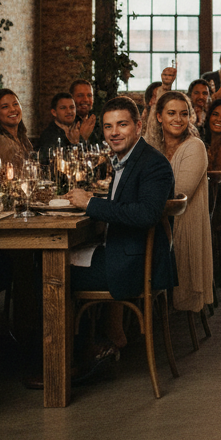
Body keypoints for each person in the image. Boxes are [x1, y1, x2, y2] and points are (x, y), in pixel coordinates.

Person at [66, 97, 176, 365]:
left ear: (138, 126)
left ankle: (72, 361)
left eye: (122, 125)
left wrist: (91, 204)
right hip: (126, 253)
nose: (114, 132)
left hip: (136, 265)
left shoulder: (154, 163)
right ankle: (90, 347)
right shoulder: (127, 158)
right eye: (108, 126)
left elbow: (146, 214)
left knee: (52, 272)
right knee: (58, 260)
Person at [144, 91, 213, 314]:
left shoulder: (195, 147)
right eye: (171, 113)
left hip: (179, 228)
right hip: (158, 224)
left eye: (184, 114)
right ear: (159, 117)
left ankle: (137, 309)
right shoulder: (155, 147)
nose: (178, 119)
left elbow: (177, 195)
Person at [0, 88, 32, 170]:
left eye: (15, 104)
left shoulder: (22, 137)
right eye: (5, 107)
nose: (13, 109)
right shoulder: (0, 141)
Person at [37, 92, 83, 161]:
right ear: (54, 112)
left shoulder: (81, 129)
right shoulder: (48, 136)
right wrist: (74, 143)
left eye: (72, 107)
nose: (69, 111)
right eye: (63, 108)